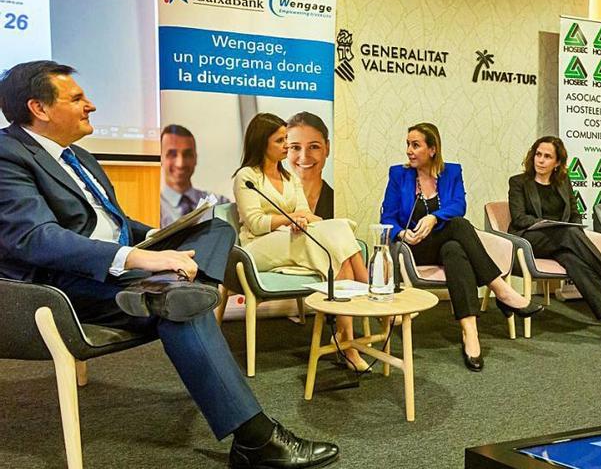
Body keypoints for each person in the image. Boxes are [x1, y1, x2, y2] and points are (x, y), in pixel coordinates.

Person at [0, 61, 338, 468]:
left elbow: (116, 224)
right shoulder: (8, 155)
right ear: (39, 108)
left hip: (128, 273)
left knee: (215, 230)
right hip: (63, 286)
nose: (90, 105)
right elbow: (33, 239)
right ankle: (255, 438)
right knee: (185, 308)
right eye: (76, 98)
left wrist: (164, 236)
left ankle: (171, 292)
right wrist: (139, 256)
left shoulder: (80, 158)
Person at [380, 122, 543, 372]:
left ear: (432, 149)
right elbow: (387, 217)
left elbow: (458, 205)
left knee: (454, 248)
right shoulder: (399, 174)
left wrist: (434, 217)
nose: (409, 151)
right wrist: (403, 232)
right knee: (458, 226)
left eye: (416, 145)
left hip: (442, 243)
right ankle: (501, 289)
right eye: (408, 145)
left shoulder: (451, 172)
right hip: (415, 247)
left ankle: (470, 333)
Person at [233, 112, 370, 371]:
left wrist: (306, 220)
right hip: (256, 247)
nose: (286, 145)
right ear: (262, 143)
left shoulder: (289, 177)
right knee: (333, 240)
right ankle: (371, 293)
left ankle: (346, 341)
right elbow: (255, 223)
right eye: (280, 141)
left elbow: (305, 212)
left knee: (337, 234)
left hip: (290, 237)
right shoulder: (247, 176)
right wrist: (290, 219)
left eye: (286, 139)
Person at [508, 136, 601, 350]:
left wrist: (569, 227)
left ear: (557, 163)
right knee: (567, 234)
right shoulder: (518, 182)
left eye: (548, 156)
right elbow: (519, 218)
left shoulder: (563, 182)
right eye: (538, 154)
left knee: (574, 261)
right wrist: (549, 224)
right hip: (530, 240)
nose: (541, 160)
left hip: (562, 244)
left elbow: (574, 214)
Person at [159, 124, 229, 228]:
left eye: (187, 154)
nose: (180, 163)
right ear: (160, 158)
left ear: (196, 158)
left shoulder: (220, 204)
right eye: (172, 154)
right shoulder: (153, 209)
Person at [287, 112, 334, 220]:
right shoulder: (270, 202)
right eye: (295, 147)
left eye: (313, 146)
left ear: (327, 148)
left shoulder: (339, 201)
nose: (304, 157)